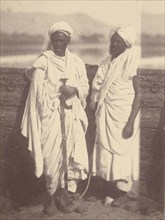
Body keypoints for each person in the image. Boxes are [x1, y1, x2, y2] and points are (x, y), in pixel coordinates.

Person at [21, 21, 89, 215]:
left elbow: (85, 86)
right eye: (55, 40)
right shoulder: (43, 61)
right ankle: (52, 197)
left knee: (71, 156)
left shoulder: (76, 62)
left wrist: (74, 90)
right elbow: (36, 90)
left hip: (71, 116)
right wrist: (57, 90)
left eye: (62, 41)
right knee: (50, 158)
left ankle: (67, 195)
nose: (58, 44)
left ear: (68, 42)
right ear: (51, 41)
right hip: (50, 116)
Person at [90, 25, 141, 205]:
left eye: (119, 42)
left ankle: (119, 192)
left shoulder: (131, 60)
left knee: (121, 154)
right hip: (106, 112)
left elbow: (139, 95)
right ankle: (108, 190)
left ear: (126, 45)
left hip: (123, 115)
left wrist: (130, 122)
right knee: (105, 153)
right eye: (113, 40)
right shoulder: (106, 61)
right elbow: (98, 86)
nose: (114, 44)